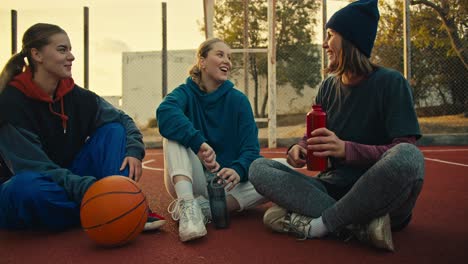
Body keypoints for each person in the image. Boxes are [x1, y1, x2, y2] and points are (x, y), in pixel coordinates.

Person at [249, 0, 424, 251]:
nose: (323, 43)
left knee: (410, 157)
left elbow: (404, 149)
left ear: (351, 39)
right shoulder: (327, 86)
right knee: (259, 167)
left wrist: (346, 150)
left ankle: (321, 225)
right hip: (330, 189)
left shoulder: (391, 83)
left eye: (330, 36)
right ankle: (358, 227)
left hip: (381, 197)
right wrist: (300, 148)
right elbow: (314, 136)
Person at [0, 23, 165, 231]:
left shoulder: (78, 97)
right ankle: (110, 209)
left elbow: (123, 120)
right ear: (37, 55)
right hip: (37, 183)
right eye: (62, 50)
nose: (71, 56)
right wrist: (92, 188)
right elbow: (36, 167)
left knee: (113, 130)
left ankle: (120, 205)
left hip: (71, 178)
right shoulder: (10, 103)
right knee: (24, 189)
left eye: (70, 49)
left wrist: (134, 149)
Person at [156, 38, 266, 242]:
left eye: (230, 57)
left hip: (224, 184)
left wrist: (238, 169)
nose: (228, 61)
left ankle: (204, 210)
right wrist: (197, 143)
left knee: (279, 170)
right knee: (173, 135)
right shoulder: (185, 93)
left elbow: (251, 150)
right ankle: (188, 205)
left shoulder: (239, 101)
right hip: (191, 179)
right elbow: (165, 112)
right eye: (220, 54)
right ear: (202, 61)